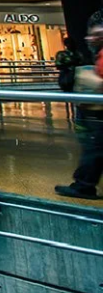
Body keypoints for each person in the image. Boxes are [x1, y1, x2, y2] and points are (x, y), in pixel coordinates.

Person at [56, 25, 103, 200]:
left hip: (98, 113)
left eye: (96, 35)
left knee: (94, 149)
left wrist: (92, 100)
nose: (91, 39)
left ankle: (84, 185)